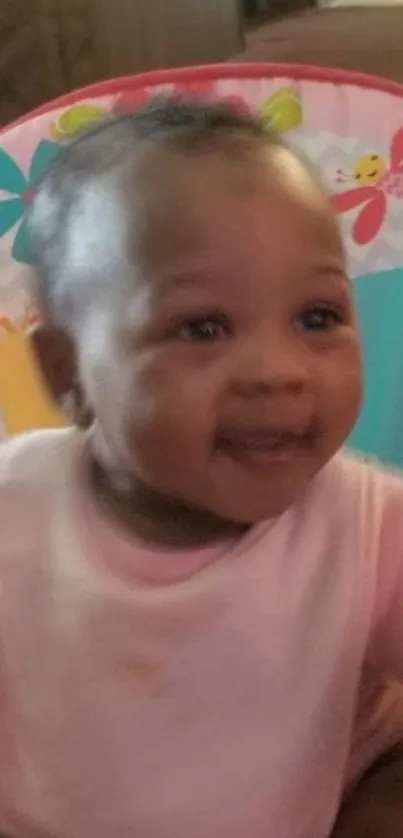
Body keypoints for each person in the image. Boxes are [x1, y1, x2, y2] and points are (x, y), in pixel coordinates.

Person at [1, 98, 403, 838]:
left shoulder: (366, 526)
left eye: (317, 318)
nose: (278, 372)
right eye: (201, 327)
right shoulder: (15, 507)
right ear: (67, 373)